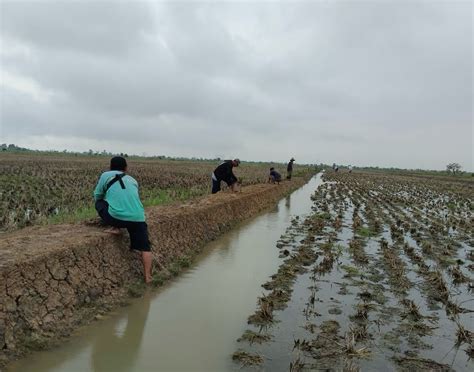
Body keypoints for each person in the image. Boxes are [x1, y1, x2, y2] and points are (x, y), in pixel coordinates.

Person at [93, 156, 152, 283]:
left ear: (110, 167)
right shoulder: (133, 180)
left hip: (117, 218)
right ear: (126, 168)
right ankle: (148, 277)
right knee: (146, 248)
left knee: (100, 202)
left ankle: (116, 227)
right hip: (139, 218)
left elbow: (97, 195)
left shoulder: (105, 175)